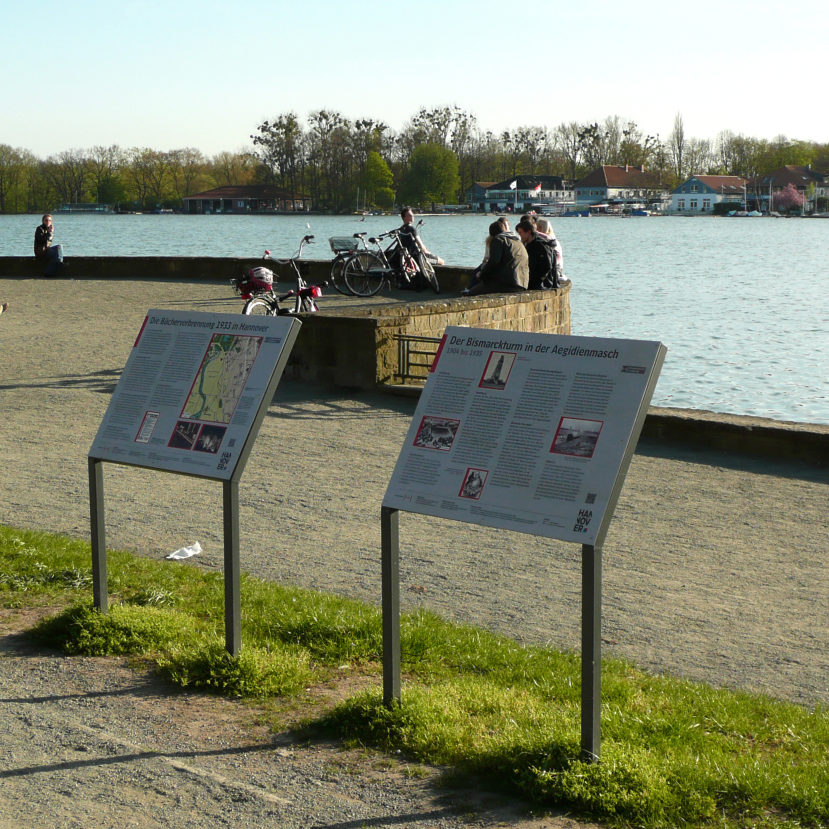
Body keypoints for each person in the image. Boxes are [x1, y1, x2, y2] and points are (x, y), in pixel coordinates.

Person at [463, 220, 528, 295]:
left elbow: (493, 262)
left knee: (471, 293)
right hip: (522, 284)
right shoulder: (517, 241)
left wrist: (481, 274)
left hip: (507, 284)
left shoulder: (498, 239)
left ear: (491, 234)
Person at [396, 206, 444, 289]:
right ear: (404, 217)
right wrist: (427, 252)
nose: (412, 217)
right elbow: (421, 245)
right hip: (417, 257)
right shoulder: (412, 229)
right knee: (442, 261)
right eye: (410, 215)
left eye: (412, 215)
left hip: (407, 258)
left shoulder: (400, 230)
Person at [516, 217, 557, 290]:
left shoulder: (540, 245)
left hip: (544, 285)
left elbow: (547, 266)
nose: (520, 236)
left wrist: (535, 282)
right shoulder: (528, 245)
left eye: (521, 233)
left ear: (528, 232)